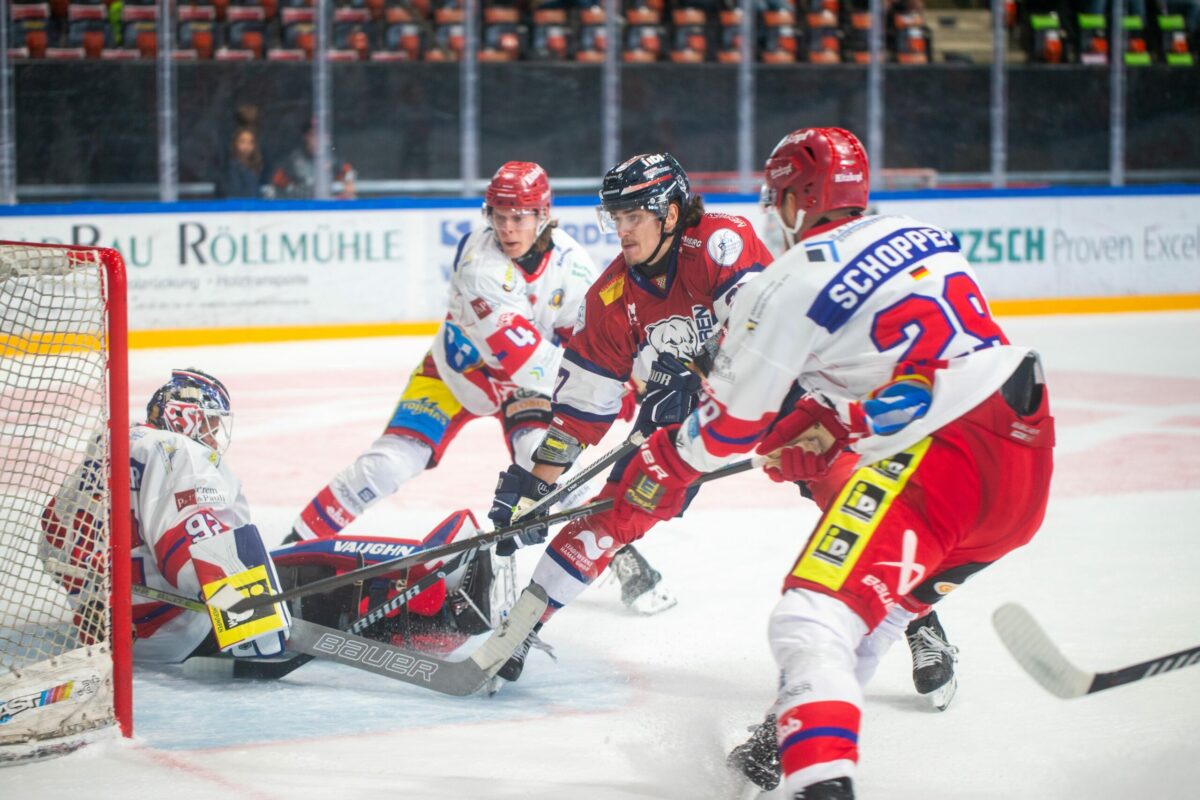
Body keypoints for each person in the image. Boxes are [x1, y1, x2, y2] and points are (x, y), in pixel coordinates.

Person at [602, 127, 1054, 799]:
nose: (772, 211)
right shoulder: (922, 235)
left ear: (798, 197)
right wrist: (831, 421)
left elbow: (727, 428)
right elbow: (924, 369)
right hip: (1025, 461)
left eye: (778, 196)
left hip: (943, 465)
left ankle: (824, 782)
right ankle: (779, 742)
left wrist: (661, 463)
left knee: (808, 620)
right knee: (871, 616)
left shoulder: (786, 279)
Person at [486, 152, 775, 682]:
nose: (621, 230)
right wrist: (534, 486)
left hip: (778, 390)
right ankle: (520, 628)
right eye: (615, 218)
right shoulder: (611, 296)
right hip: (693, 423)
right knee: (611, 515)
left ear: (670, 213)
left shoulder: (719, 240)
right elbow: (579, 414)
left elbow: (762, 332)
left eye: (634, 216)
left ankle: (919, 623)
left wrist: (699, 372)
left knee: (837, 480)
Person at [41, 369, 292, 664]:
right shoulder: (178, 450)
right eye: (211, 422)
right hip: (172, 634)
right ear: (184, 416)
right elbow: (192, 553)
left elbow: (52, 539)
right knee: (289, 573)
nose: (214, 435)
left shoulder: (109, 445)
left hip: (104, 630)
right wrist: (252, 615)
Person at [273, 119, 357, 199]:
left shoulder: (335, 160)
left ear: (328, 138)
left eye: (322, 135)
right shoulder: (293, 161)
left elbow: (349, 186)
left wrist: (339, 199)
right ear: (306, 137)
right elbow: (276, 188)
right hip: (300, 209)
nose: (318, 140)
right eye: (313, 135)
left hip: (326, 210)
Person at [214, 126, 268, 199]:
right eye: (242, 141)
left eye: (251, 142)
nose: (247, 146)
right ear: (235, 144)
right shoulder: (229, 170)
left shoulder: (260, 168)